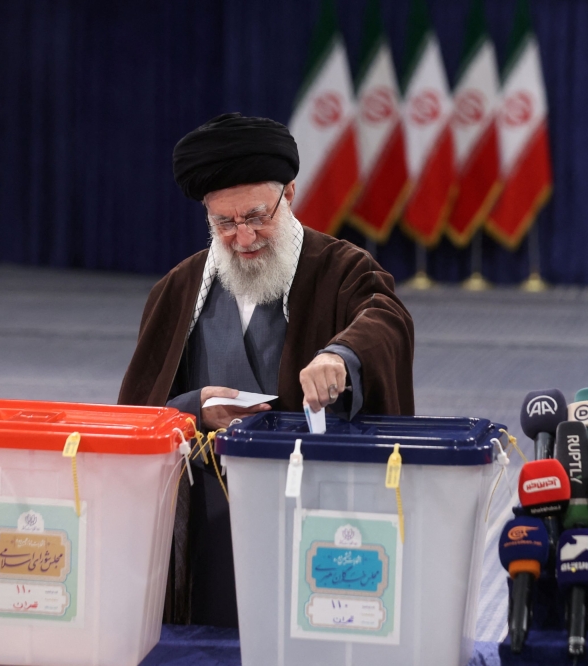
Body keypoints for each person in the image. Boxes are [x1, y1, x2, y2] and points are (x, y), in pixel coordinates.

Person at [118, 112, 415, 627]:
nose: (244, 236)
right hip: (213, 525)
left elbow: (386, 319)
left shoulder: (343, 268)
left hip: (319, 517)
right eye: (224, 223)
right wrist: (193, 408)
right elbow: (136, 416)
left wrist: (339, 357)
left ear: (291, 195)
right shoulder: (177, 290)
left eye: (257, 216)